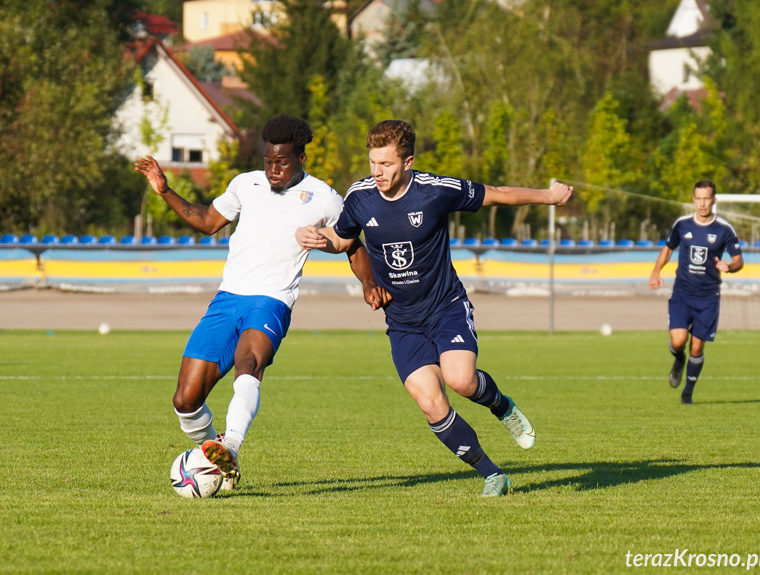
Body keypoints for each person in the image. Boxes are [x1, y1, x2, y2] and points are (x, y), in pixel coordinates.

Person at [296, 120, 573, 496]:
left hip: (446, 308)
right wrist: (313, 237)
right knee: (430, 402)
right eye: (373, 163)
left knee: (460, 381)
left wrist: (548, 196)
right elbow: (344, 239)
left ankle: (502, 406)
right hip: (402, 320)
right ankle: (493, 475)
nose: (377, 172)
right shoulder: (359, 196)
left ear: (407, 162)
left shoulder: (435, 191)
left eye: (387, 164)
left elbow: (496, 193)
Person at [135, 114, 389, 490]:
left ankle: (232, 447)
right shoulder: (245, 184)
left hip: (272, 300)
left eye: (282, 162)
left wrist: (369, 282)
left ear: (301, 158)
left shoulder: (324, 197)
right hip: (227, 299)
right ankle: (216, 451)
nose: (273, 169)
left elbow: (352, 245)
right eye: (268, 161)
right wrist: (165, 190)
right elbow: (207, 221)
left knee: (248, 362)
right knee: (185, 401)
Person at [648, 180, 743, 405]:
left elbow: (739, 260)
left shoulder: (724, 229)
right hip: (682, 293)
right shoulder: (682, 224)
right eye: (698, 198)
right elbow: (668, 248)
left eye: (707, 198)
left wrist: (729, 266)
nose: (702, 203)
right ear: (693, 199)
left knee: (697, 346)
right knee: (679, 341)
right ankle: (678, 359)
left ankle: (687, 392)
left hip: (708, 297)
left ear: (714, 200)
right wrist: (655, 271)